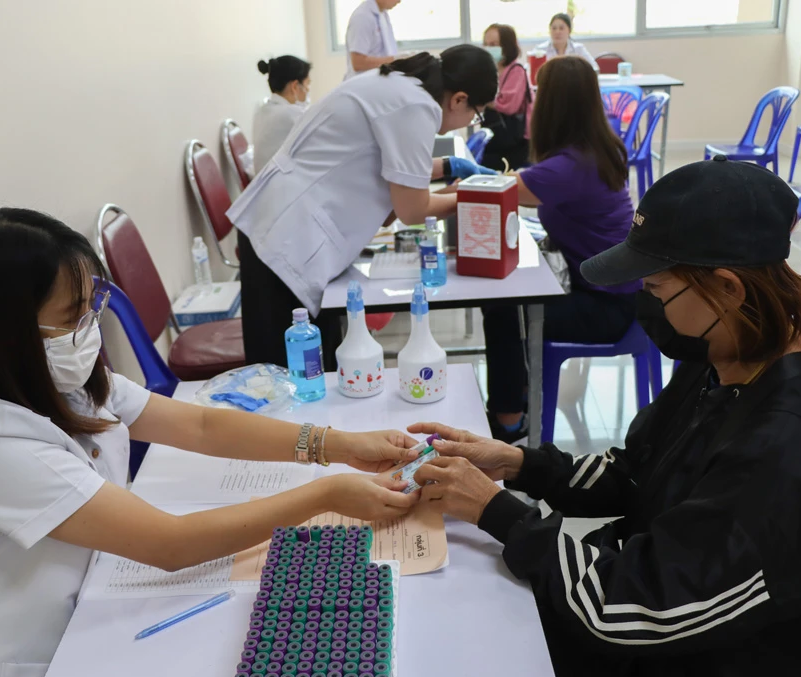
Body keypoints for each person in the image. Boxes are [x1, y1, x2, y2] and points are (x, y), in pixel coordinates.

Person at [410, 157, 801, 677]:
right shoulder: (721, 356)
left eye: (657, 285)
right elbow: (635, 473)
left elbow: (637, 609)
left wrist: (500, 514)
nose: (646, 302)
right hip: (681, 640)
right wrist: (517, 463)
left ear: (728, 288)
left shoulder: (788, 449)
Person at [0, 208, 422, 677]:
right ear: (4, 330)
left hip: (88, 608)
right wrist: (325, 494)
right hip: (16, 671)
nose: (90, 329)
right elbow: (169, 544)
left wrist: (334, 444)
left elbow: (198, 426)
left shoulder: (63, 384)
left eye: (93, 308)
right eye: (72, 317)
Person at [227, 46, 499, 370]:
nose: (471, 121)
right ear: (459, 99)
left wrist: (448, 168)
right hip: (285, 239)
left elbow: (392, 163)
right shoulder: (417, 105)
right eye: (477, 113)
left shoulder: (401, 85)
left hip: (286, 227)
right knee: (284, 378)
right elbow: (413, 209)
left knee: (315, 368)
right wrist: (473, 196)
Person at [482, 56, 637, 442]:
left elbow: (497, 190)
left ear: (551, 104)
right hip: (614, 292)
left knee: (503, 307)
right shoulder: (596, 149)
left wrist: (439, 178)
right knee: (510, 298)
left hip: (610, 307)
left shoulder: (569, 165)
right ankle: (515, 397)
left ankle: (509, 420)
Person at [481, 23, 534, 172]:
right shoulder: (493, 69)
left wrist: (485, 100)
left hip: (515, 142)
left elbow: (509, 106)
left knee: (484, 163)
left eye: (493, 44)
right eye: (486, 44)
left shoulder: (515, 71)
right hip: (499, 136)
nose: (488, 48)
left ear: (506, 46)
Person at [253, 55, 312, 171]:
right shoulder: (293, 114)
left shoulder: (262, 111)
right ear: (295, 86)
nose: (308, 89)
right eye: (307, 84)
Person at [344, 0, 400, 80]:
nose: (399, 1)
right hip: (362, 84)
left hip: (377, 81)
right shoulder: (362, 17)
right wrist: (396, 60)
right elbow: (358, 63)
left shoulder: (382, 14)